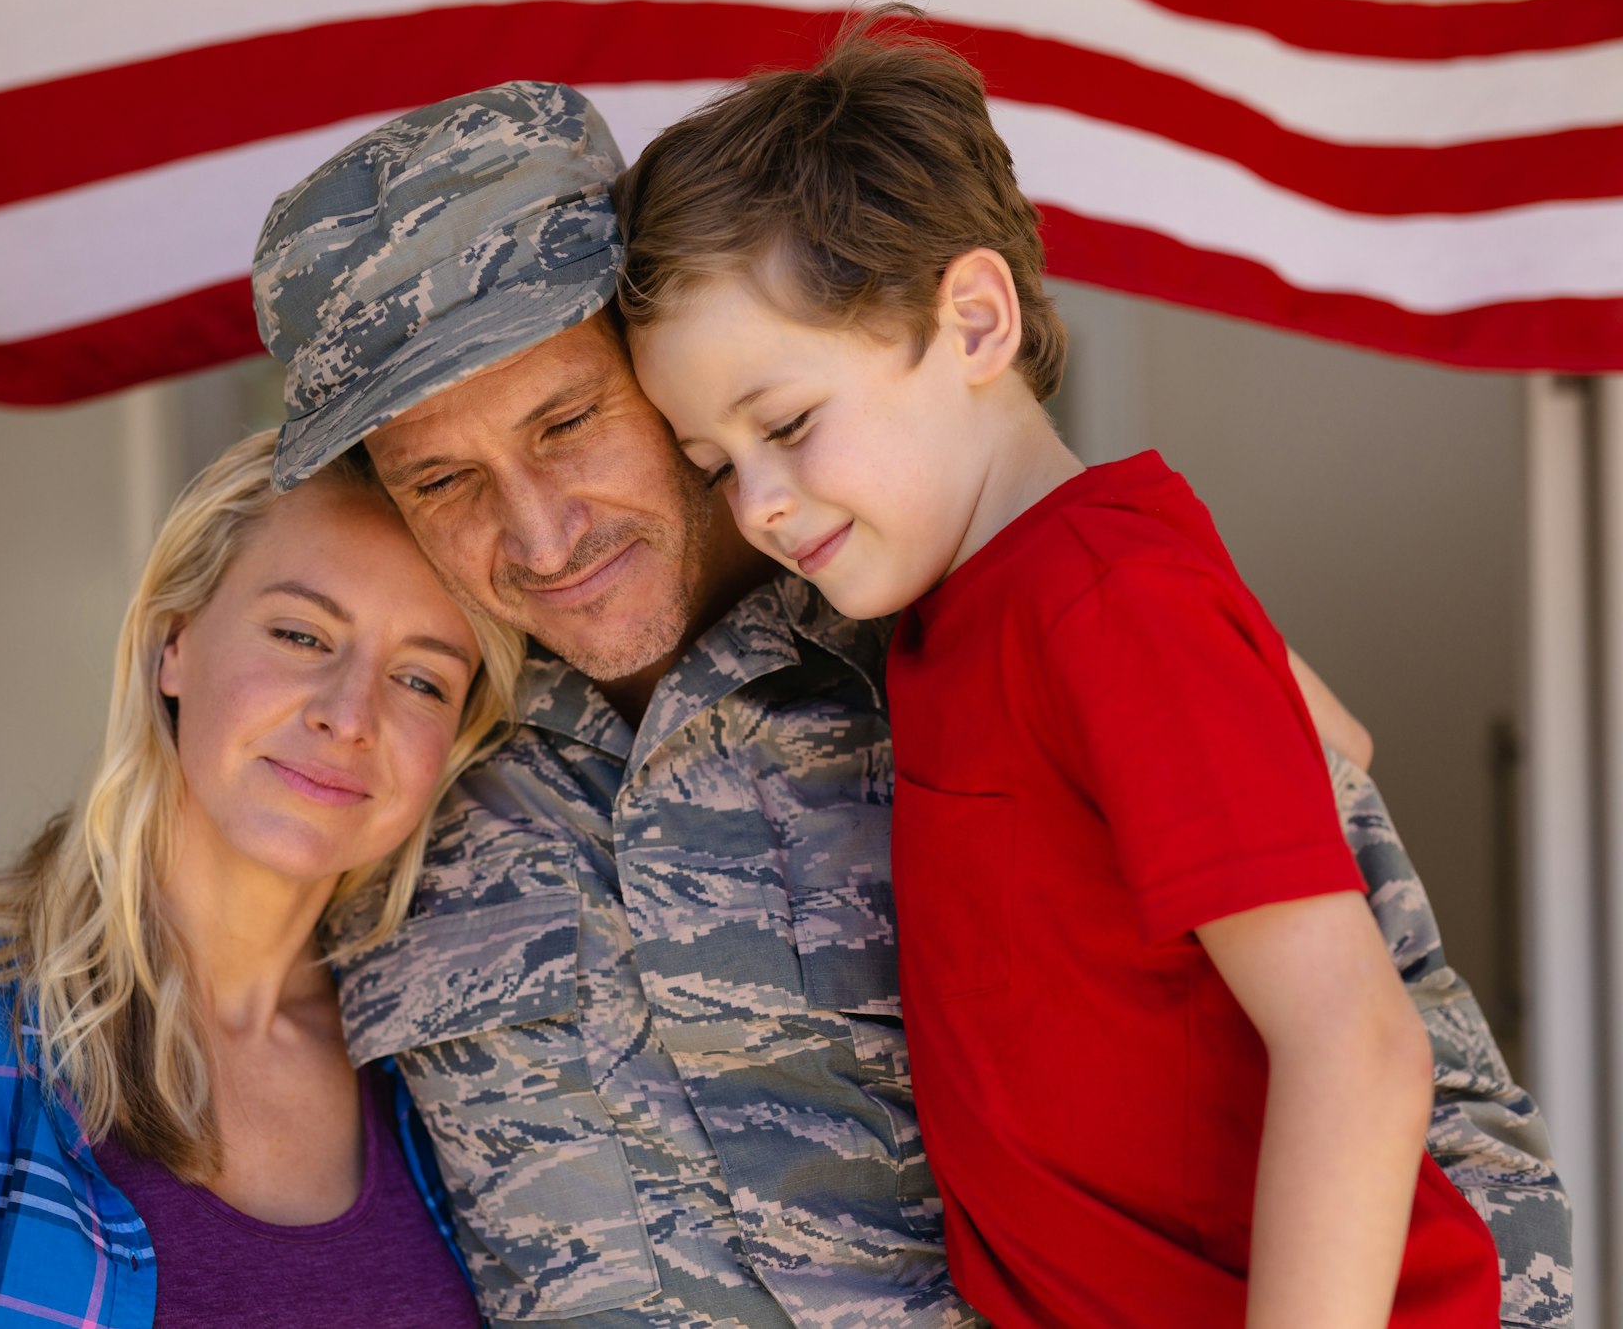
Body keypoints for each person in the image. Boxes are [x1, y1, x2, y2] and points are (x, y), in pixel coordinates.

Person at [249, 81, 1572, 1328]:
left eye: (567, 423)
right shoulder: (383, 755)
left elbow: (1407, 1089)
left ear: (652, 362)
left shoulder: (1033, 617)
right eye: (441, 480)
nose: (540, 534)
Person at [614, 16, 1506, 1329]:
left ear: (974, 320)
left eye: (788, 424)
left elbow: (1356, 1044)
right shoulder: (974, 602)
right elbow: (1332, 741)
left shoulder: (1103, 597)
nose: (758, 504)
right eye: (714, 467)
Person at [0, 431, 522, 1329]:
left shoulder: (444, 1063)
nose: (350, 716)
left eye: (421, 680)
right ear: (172, 643)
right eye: (302, 635)